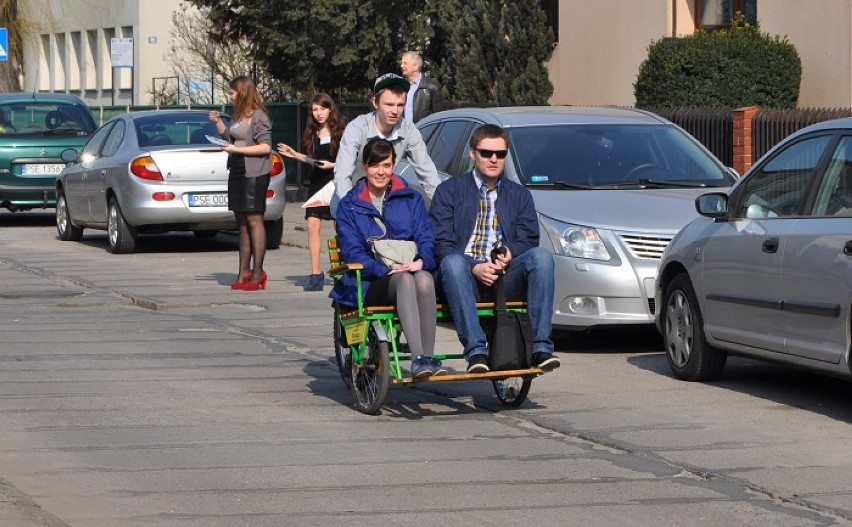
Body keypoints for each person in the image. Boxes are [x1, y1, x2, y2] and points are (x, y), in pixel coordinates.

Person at [430, 124, 561, 373]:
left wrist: (511, 251)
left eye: (500, 154)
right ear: (472, 153)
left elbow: (529, 237)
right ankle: (477, 353)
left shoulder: (519, 195)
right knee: (452, 262)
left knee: (542, 257)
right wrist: (475, 266)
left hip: (504, 277)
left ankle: (541, 347)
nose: (493, 159)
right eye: (486, 152)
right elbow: (440, 243)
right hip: (463, 277)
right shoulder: (449, 191)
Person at [331, 138, 444, 378]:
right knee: (403, 280)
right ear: (365, 165)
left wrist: (422, 260)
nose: (381, 172)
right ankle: (418, 358)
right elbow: (352, 250)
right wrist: (384, 270)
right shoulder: (349, 205)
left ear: (394, 166)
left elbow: (426, 235)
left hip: (412, 268)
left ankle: (429, 358)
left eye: (386, 165)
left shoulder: (411, 199)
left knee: (424, 278)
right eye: (375, 166)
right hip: (372, 280)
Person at [331, 73, 440, 217]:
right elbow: (343, 174)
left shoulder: (408, 130)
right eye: (389, 104)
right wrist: (351, 209)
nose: (395, 111)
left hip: (383, 202)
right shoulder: (357, 128)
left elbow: (427, 172)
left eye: (400, 105)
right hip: (349, 201)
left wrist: (443, 206)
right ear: (375, 103)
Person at [277, 93, 346, 292]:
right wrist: (294, 154)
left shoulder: (342, 131)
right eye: (315, 110)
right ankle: (316, 273)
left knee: (340, 226)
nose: (318, 113)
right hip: (317, 182)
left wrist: (332, 165)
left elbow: (350, 158)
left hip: (337, 181)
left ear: (330, 108)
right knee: (312, 224)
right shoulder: (312, 132)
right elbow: (313, 159)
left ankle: (343, 270)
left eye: (322, 108)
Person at [209, 75, 273, 291]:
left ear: (243, 92)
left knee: (254, 219)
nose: (230, 95)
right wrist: (218, 122)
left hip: (254, 172)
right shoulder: (238, 115)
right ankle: (243, 270)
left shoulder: (259, 116)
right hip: (236, 169)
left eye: (233, 92)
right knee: (242, 221)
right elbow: (232, 138)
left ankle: (258, 272)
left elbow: (265, 147)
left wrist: (236, 149)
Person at [400, 51, 444, 123]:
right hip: (405, 132)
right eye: (401, 63)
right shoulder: (401, 87)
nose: (401, 66)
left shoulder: (431, 88)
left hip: (423, 132)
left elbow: (439, 118)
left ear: (416, 66)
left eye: (405, 63)